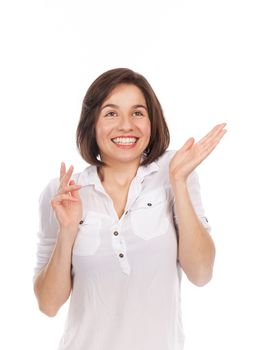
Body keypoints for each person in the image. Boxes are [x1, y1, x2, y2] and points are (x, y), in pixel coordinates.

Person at [33, 67, 227, 350]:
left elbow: (201, 273)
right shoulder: (62, 193)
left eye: (138, 113)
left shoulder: (174, 174)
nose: (126, 125)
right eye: (111, 113)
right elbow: (48, 305)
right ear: (92, 124)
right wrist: (67, 231)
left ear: (152, 121)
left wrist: (179, 182)